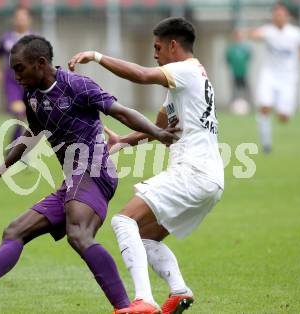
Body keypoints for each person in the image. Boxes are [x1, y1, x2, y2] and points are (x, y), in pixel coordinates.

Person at [0, 35, 180, 314]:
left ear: (41, 63)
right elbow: (32, 134)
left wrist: (157, 133)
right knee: (15, 231)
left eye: (19, 68)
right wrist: (1, 169)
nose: (15, 75)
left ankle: (125, 308)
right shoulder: (32, 95)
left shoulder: (77, 85)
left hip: (95, 171)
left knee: (79, 233)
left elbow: (120, 112)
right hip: (74, 179)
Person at [69, 17, 224, 314]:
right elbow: (159, 129)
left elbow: (140, 74)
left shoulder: (184, 71)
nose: (155, 54)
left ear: (174, 46)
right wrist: (123, 142)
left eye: (157, 47)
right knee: (145, 238)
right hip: (210, 179)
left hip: (193, 172)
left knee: (122, 221)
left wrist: (97, 57)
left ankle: (144, 301)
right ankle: (178, 291)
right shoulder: (192, 80)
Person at [242, 2, 300, 153]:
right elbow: (256, 34)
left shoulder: (295, 33)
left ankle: (283, 112)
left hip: (288, 78)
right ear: (273, 17)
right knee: (264, 107)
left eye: (281, 15)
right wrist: (245, 33)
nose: (278, 17)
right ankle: (266, 144)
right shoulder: (269, 31)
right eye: (275, 15)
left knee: (283, 117)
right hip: (269, 75)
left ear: (286, 16)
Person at [0, 6, 33, 147]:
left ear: (29, 20)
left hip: (30, 82)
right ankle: (18, 150)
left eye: (23, 18)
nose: (21, 20)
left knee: (27, 117)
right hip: (12, 82)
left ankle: (14, 148)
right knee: (19, 113)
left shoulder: (35, 39)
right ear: (14, 20)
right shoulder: (6, 39)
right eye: (18, 18)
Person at [225, 29, 252, 115]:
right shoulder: (231, 49)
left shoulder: (245, 48)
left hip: (243, 73)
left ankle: (249, 106)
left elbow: (249, 57)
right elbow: (228, 59)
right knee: (234, 92)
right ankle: (233, 107)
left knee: (246, 90)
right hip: (234, 73)